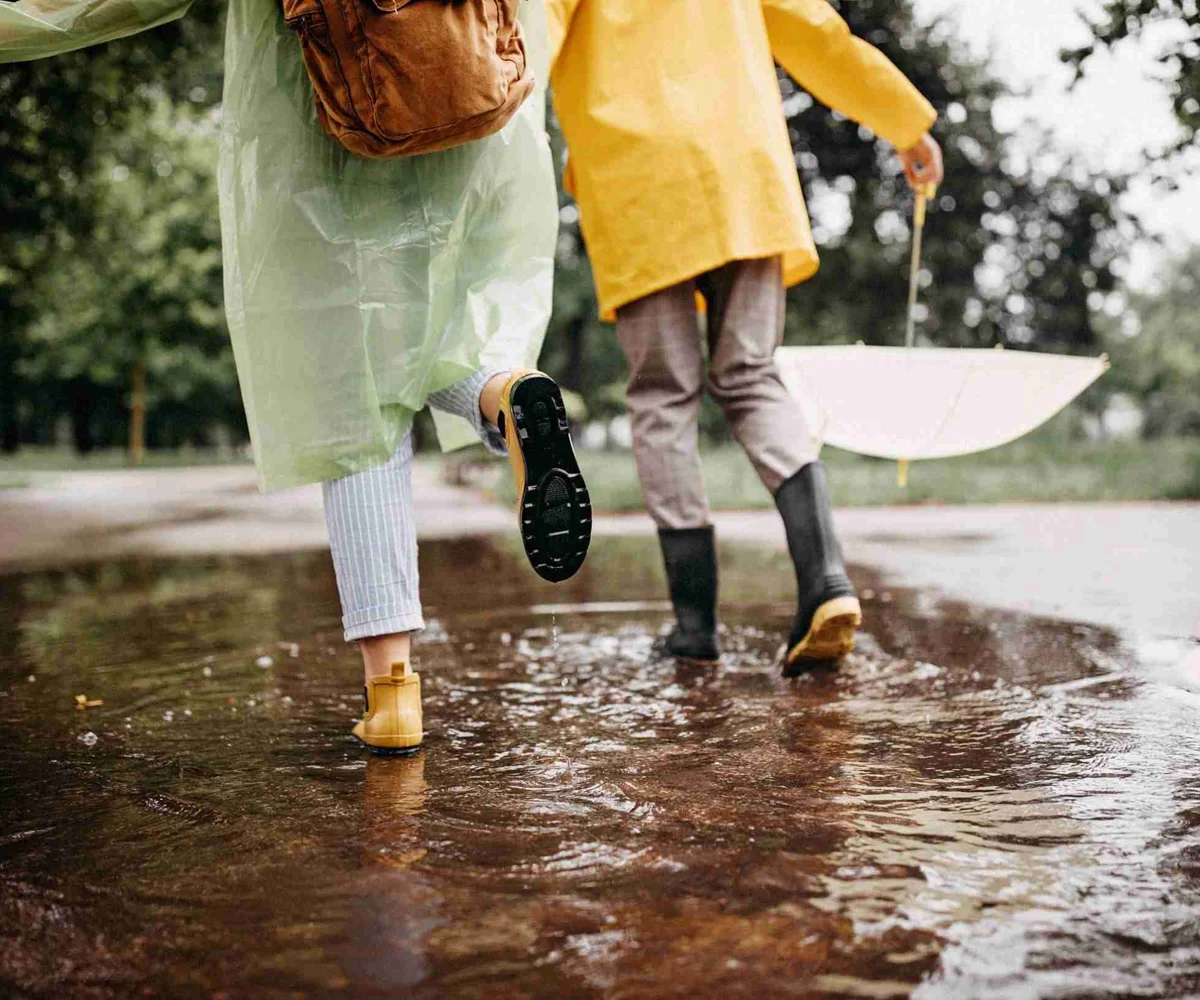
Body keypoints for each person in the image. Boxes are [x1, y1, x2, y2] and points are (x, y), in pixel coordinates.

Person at [1, 0, 589, 752]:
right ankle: (501, 395)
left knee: (353, 382)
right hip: (472, 83)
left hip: (330, 106)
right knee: (446, 320)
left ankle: (394, 695)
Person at [545, 0, 945, 673]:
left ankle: (694, 626)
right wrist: (905, 124)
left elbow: (520, 41)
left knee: (663, 396)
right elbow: (816, 34)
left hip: (634, 178)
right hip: (741, 169)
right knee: (751, 375)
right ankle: (826, 580)